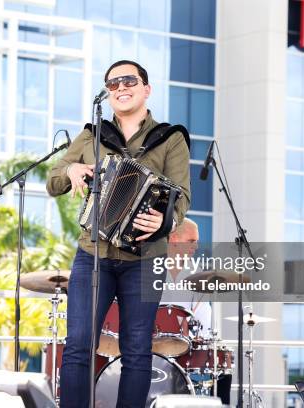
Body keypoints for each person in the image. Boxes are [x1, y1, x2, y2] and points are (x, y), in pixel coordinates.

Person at [46, 60, 190, 407]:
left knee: (137, 349)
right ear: (107, 94)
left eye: (129, 81)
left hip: (145, 258)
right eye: (113, 84)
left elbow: (181, 196)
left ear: (146, 89)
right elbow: (53, 181)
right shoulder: (92, 135)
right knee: (79, 344)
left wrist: (164, 222)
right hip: (93, 253)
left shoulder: (170, 139)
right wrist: (73, 167)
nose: (121, 88)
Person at [165, 219, 231, 405]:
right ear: (174, 239)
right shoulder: (149, 269)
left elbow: (204, 319)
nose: (196, 246)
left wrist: (200, 337)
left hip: (183, 349)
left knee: (222, 372)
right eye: (192, 240)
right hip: (149, 346)